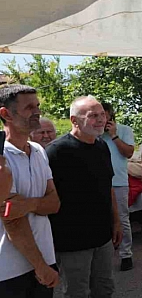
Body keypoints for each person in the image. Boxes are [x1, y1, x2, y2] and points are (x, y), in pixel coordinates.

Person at [47, 96, 122, 298]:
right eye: (93, 116)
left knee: (105, 289)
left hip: (102, 237)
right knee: (77, 292)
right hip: (72, 241)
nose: (100, 120)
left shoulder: (101, 147)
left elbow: (109, 188)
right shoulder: (57, 151)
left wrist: (116, 222)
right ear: (74, 120)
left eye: (102, 115)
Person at [0, 85, 61, 297]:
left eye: (37, 106)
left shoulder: (38, 151)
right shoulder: (2, 158)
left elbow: (54, 203)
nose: (37, 112)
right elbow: (12, 220)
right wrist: (41, 266)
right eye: (28, 107)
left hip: (45, 258)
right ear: (5, 114)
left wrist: (28, 204)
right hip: (10, 269)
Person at [100, 103, 136, 271]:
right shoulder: (93, 133)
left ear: (111, 116)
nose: (101, 119)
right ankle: (104, 255)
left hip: (118, 181)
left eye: (104, 115)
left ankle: (126, 254)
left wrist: (114, 136)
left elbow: (128, 153)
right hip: (98, 182)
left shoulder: (124, 130)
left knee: (121, 218)